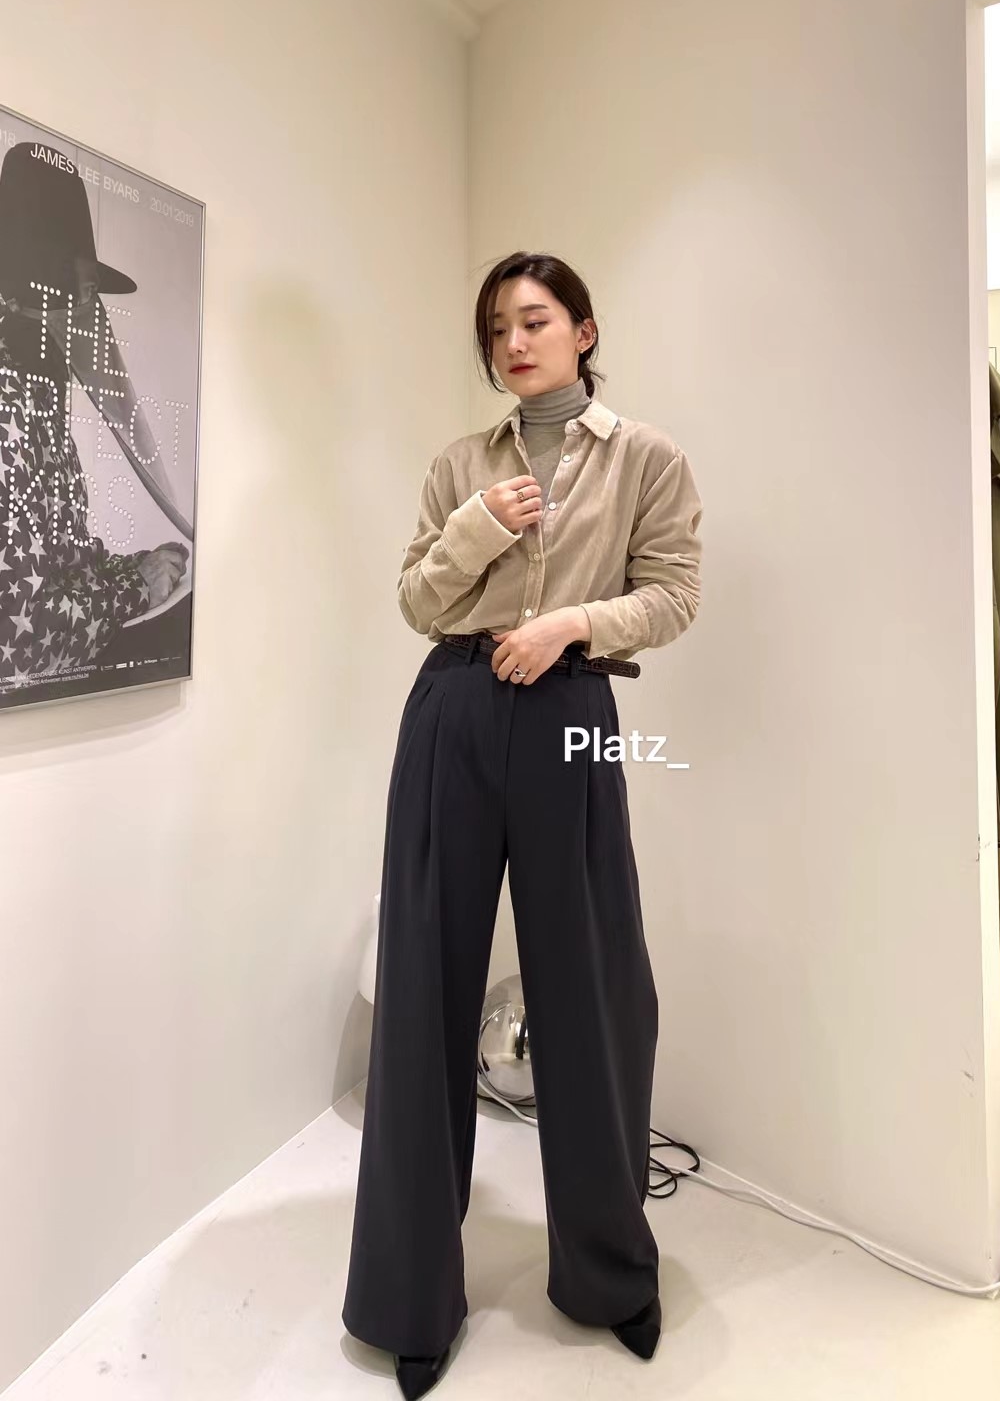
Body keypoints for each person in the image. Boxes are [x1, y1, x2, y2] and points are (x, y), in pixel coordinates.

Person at [342, 251, 703, 1400]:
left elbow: (674, 594)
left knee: (593, 986)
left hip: (574, 712)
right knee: (424, 991)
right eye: (496, 327)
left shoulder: (644, 457)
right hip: (451, 711)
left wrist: (569, 626)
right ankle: (409, 1296)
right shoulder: (462, 463)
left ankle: (608, 1273)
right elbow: (417, 600)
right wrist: (474, 530)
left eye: (535, 320)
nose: (513, 342)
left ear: (583, 330)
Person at [0, 140, 188, 695]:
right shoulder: (10, 407)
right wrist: (136, 587)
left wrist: (142, 565)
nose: (88, 316)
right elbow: (20, 638)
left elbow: (66, 565)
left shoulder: (37, 403)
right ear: (27, 290)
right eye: (78, 294)